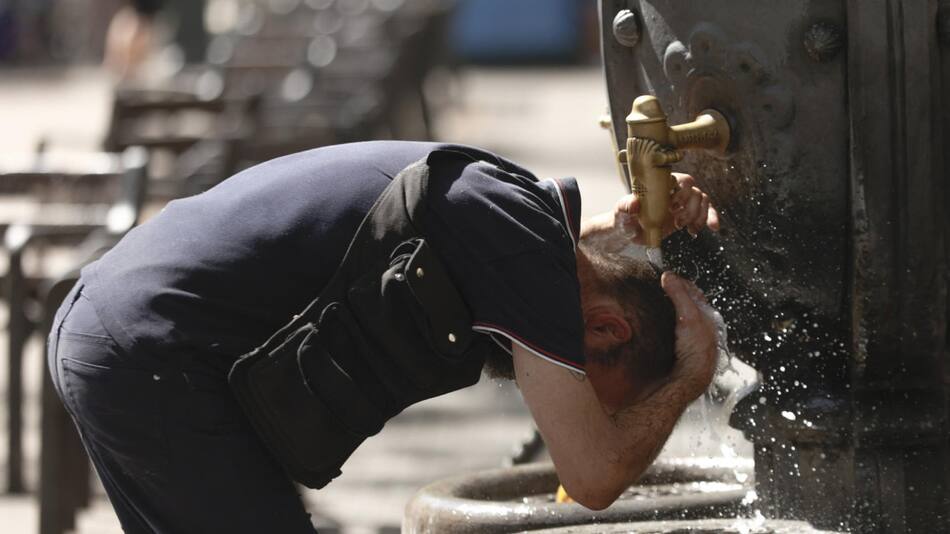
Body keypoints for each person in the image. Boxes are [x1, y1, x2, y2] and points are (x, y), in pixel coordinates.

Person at [47, 141, 721, 533]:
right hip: (150, 352)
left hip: (112, 325)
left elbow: (518, 266)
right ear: (607, 329)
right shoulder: (523, 251)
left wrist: (620, 231)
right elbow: (596, 476)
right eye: (609, 404)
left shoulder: (515, 224)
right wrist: (689, 377)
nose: (575, 411)